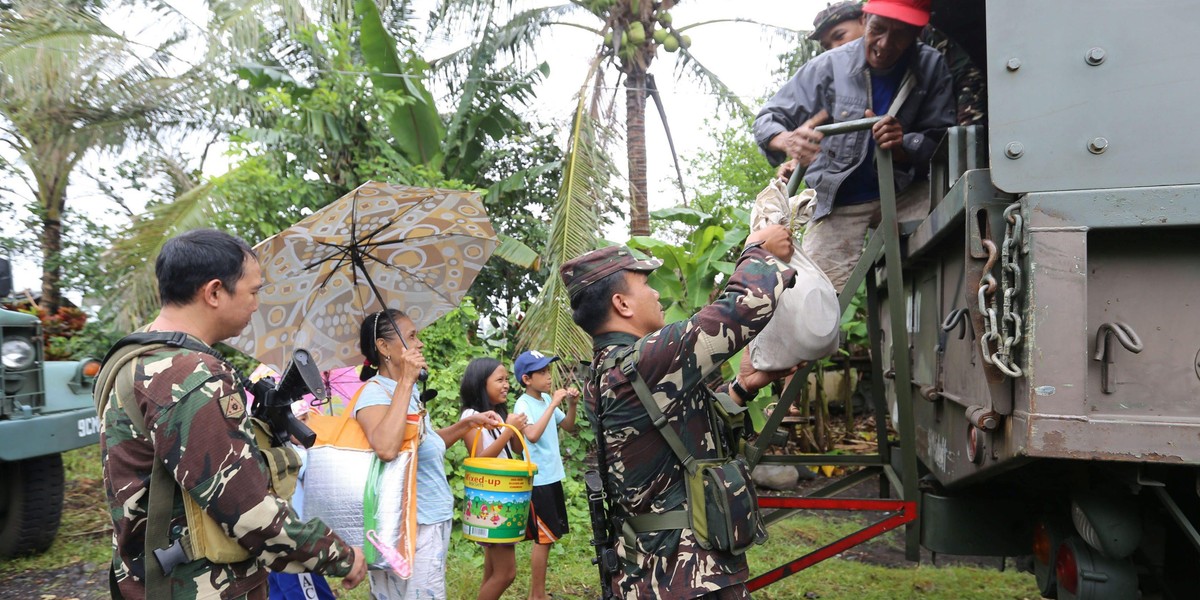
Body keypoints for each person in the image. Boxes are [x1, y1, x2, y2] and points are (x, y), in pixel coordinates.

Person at [98, 228, 366, 600]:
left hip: (150, 577)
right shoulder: (191, 377)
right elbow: (250, 514)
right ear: (213, 292)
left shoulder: (134, 356)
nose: (257, 304)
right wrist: (340, 555)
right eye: (253, 292)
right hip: (198, 585)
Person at [560, 225, 797, 599]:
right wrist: (758, 250)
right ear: (622, 304)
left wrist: (743, 387)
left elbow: (678, 431)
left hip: (655, 573)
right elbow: (743, 307)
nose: (657, 293)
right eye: (645, 285)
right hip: (688, 575)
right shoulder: (644, 361)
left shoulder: (604, 375)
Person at [754, 0, 955, 293]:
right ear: (865, 19)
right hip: (839, 202)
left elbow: (942, 141)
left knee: (948, 249)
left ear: (917, 32)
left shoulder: (931, 64)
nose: (885, 44)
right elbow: (767, 119)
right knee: (811, 295)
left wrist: (902, 145)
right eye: (878, 29)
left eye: (900, 34)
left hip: (906, 192)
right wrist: (787, 140)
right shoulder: (829, 65)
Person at [354, 309, 503, 599]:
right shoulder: (376, 393)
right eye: (411, 336)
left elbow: (426, 445)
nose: (419, 343)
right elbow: (386, 448)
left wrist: (467, 424)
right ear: (384, 347)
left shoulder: (402, 392)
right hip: (408, 527)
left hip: (427, 519)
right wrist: (407, 381)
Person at [458, 357, 528, 600]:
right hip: (491, 499)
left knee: (492, 570)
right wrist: (508, 429)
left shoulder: (499, 414)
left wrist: (515, 427)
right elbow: (479, 459)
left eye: (507, 379)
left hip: (505, 495)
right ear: (480, 384)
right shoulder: (470, 416)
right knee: (506, 573)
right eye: (500, 380)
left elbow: (517, 449)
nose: (506, 385)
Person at [512, 350, 579, 600]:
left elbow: (569, 426)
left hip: (552, 477)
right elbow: (531, 435)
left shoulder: (545, 399)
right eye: (542, 372)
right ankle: (537, 596)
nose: (548, 376)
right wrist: (553, 404)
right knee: (543, 539)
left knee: (548, 538)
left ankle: (537, 594)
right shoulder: (523, 404)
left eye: (548, 371)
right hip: (538, 480)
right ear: (527, 379)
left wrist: (571, 404)